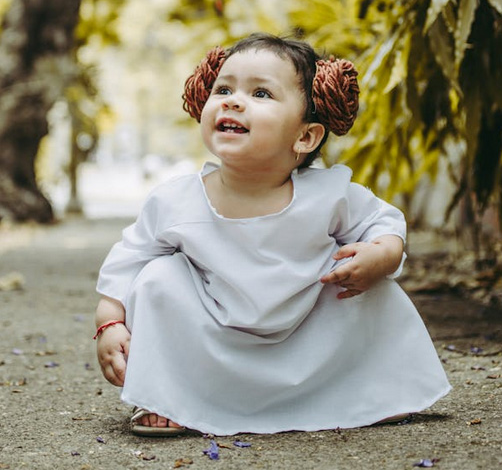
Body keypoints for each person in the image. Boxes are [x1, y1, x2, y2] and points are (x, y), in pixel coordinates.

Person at [94, 33, 451, 437]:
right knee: (158, 277)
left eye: (261, 93)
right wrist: (110, 321)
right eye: (223, 89)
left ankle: (374, 389)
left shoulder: (329, 193)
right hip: (214, 337)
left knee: (367, 279)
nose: (232, 100)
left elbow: (384, 223)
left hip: (307, 336)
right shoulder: (175, 201)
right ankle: (168, 394)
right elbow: (129, 258)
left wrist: (382, 255)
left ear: (305, 136)